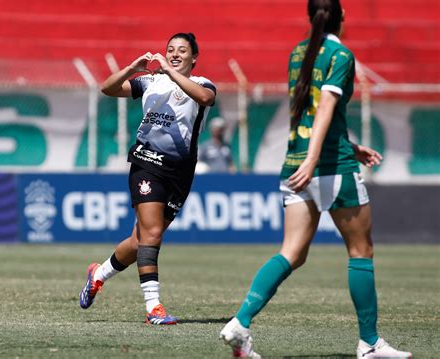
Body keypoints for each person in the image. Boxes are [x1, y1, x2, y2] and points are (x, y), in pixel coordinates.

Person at [219, 1, 412, 358]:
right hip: (328, 167)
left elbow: (308, 115)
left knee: (291, 252)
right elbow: (324, 107)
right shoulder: (340, 55)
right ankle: (369, 343)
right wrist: (318, 159)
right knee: (361, 251)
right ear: (343, 17)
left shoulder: (298, 54)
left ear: (310, 17)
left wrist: (347, 147)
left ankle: (240, 323)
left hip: (295, 164)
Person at [79, 32, 216, 325]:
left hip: (180, 173)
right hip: (147, 162)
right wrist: (132, 69)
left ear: (194, 57)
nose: (175, 54)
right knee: (152, 234)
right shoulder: (151, 82)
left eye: (182, 50)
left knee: (139, 240)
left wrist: (170, 73)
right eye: (170, 50)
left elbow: (206, 98)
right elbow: (107, 88)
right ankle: (154, 308)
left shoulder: (201, 84)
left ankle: (98, 274)